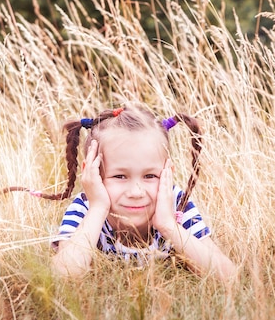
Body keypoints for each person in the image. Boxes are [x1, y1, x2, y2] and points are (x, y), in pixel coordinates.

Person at [47, 105, 237, 282]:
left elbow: (228, 277)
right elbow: (63, 275)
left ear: (167, 171)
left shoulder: (175, 203)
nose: (136, 192)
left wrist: (168, 225)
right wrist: (98, 209)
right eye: (120, 176)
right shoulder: (87, 206)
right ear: (92, 173)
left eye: (149, 176)